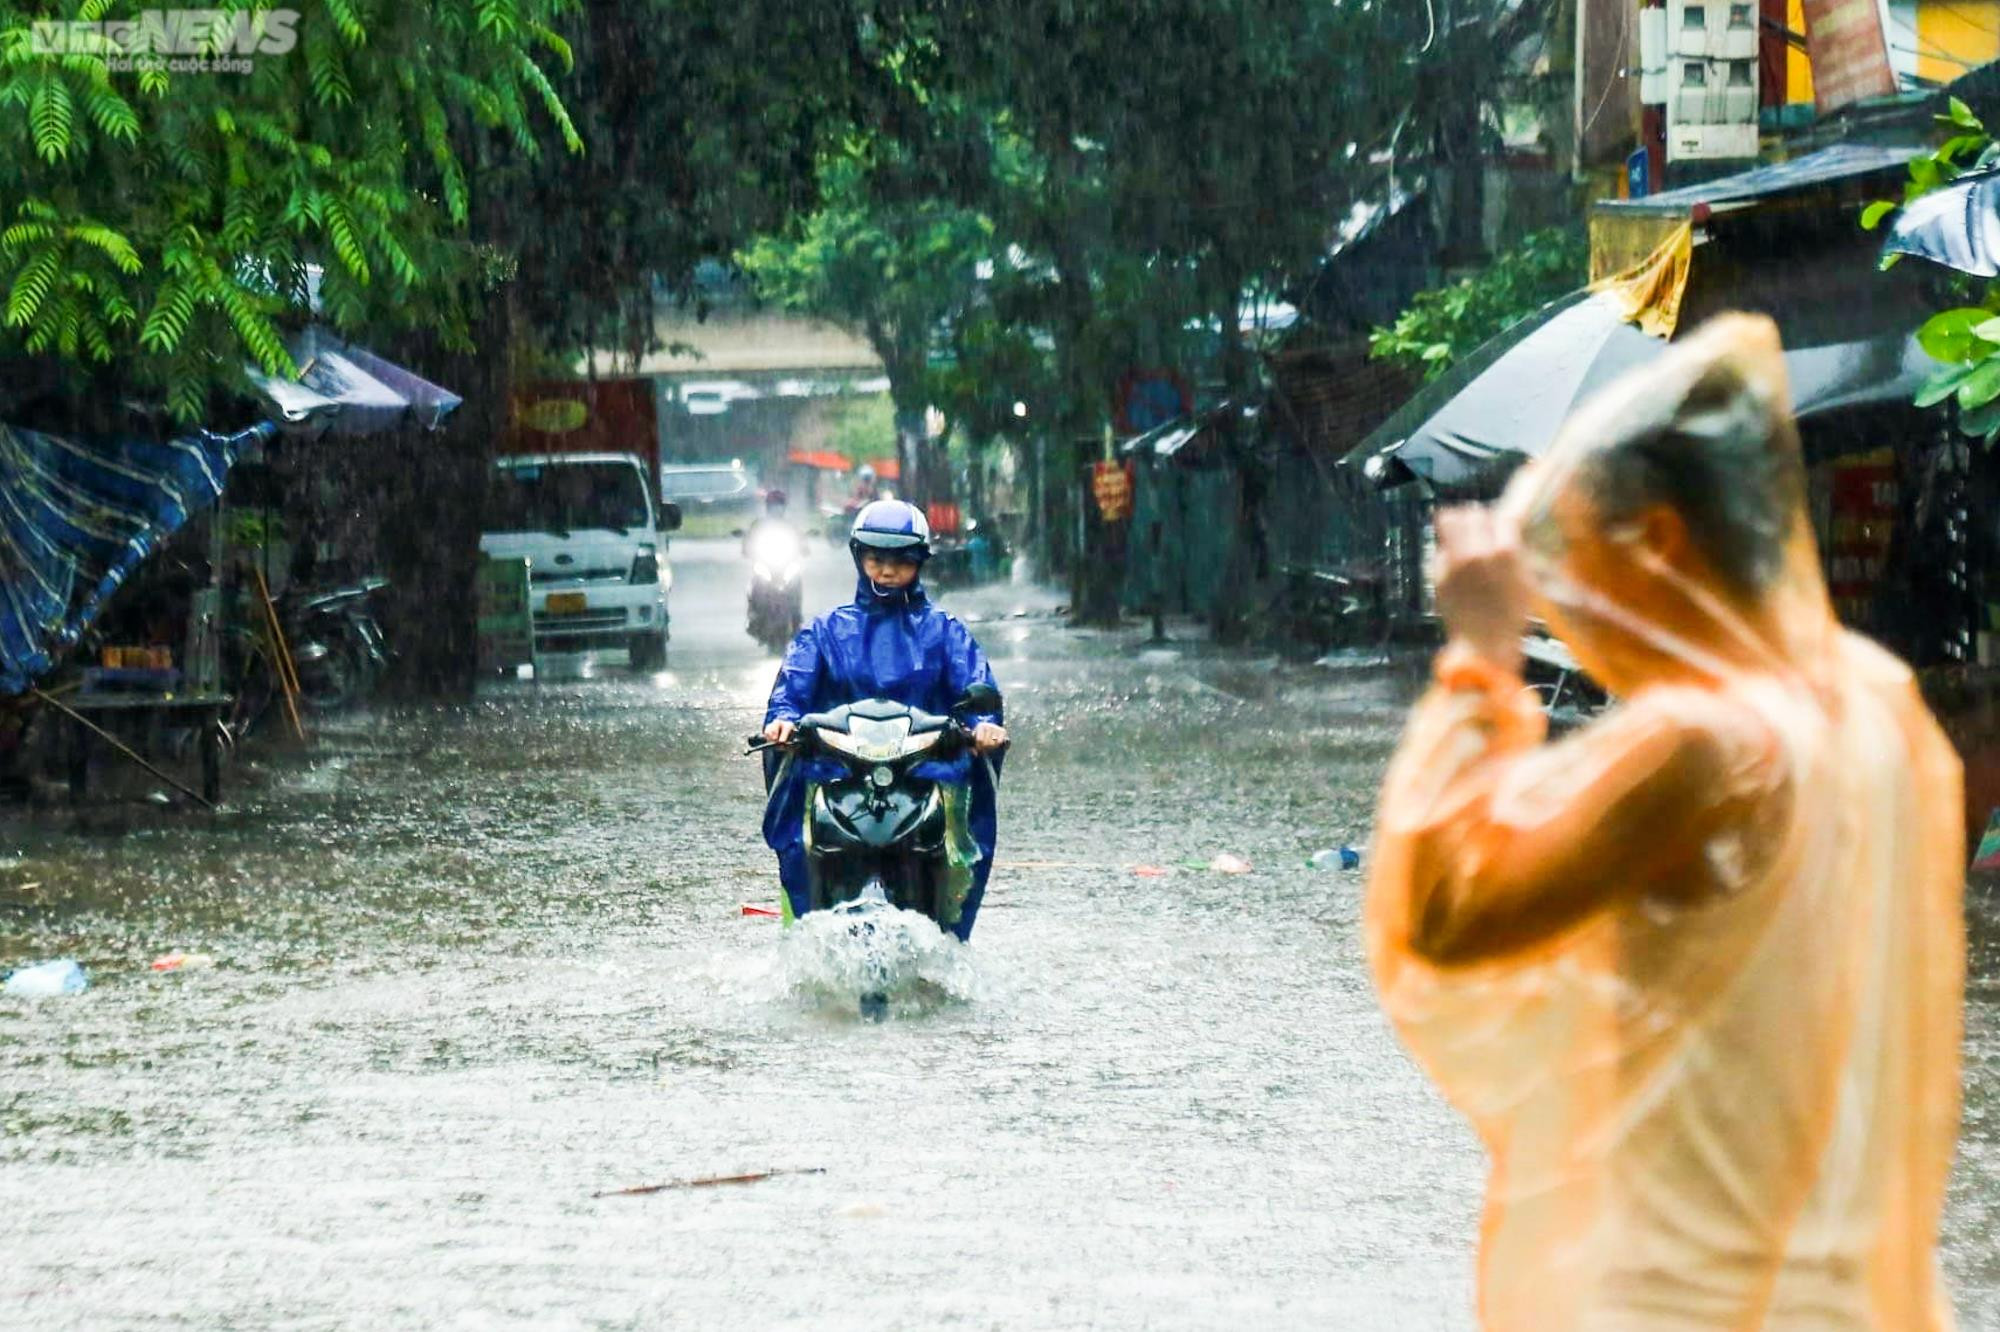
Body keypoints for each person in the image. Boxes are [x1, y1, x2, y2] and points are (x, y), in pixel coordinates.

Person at [1366, 315, 1964, 1330]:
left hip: (1689, 1298)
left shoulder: (1698, 742)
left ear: (1659, 542)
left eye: (1579, 565)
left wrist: (1476, 660)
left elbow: (1444, 915)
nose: (1572, 609)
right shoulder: (1875, 703)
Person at [760, 499, 1009, 940]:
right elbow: (791, 690)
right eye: (876, 559)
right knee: (799, 834)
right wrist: (782, 722)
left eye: (900, 561)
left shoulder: (946, 632)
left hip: (924, 776)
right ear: (859, 558)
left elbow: (976, 687)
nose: (887, 571)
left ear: (920, 563)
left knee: (960, 848)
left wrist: (985, 726)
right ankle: (802, 919)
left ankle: (950, 931)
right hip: (840, 776)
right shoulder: (824, 632)